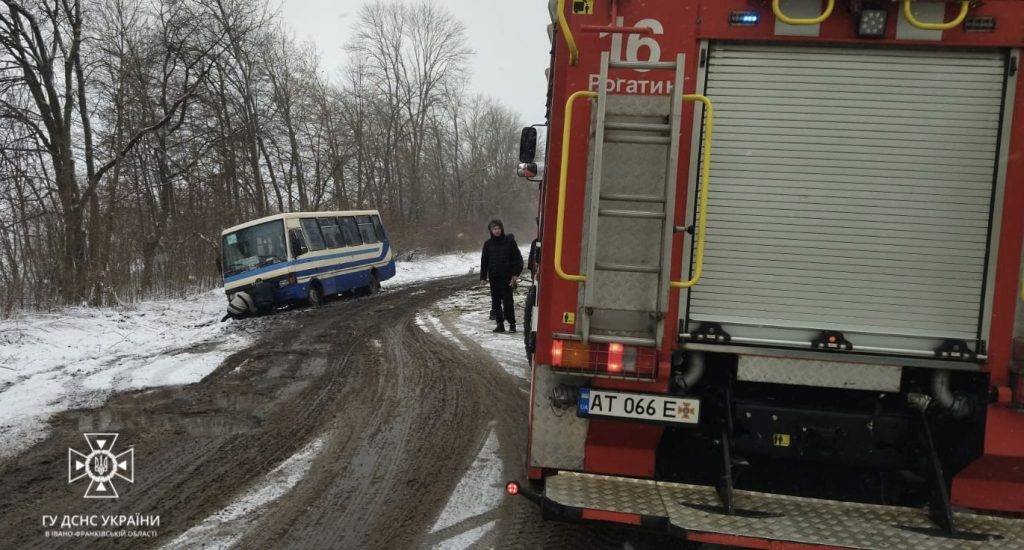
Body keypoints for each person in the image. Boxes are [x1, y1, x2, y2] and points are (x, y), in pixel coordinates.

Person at [480, 219, 524, 333]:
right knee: (495, 301)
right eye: (494, 229)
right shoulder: (488, 244)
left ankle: (512, 324)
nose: (497, 231)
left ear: (502, 229)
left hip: (507, 277)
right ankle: (500, 324)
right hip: (494, 277)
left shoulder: (509, 242)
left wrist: (515, 274)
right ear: (490, 230)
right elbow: (484, 261)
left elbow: (517, 259)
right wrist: (483, 277)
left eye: (498, 228)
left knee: (508, 301)